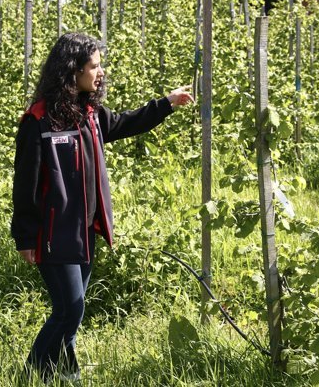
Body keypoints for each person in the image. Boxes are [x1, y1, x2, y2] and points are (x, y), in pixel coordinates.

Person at [11, 32, 193, 382]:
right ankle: (32, 374)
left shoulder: (89, 114)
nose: (100, 72)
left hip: (84, 230)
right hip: (54, 233)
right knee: (70, 310)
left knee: (71, 311)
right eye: (94, 66)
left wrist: (166, 103)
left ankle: (64, 372)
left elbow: (126, 123)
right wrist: (25, 237)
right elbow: (25, 185)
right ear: (72, 71)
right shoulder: (39, 122)